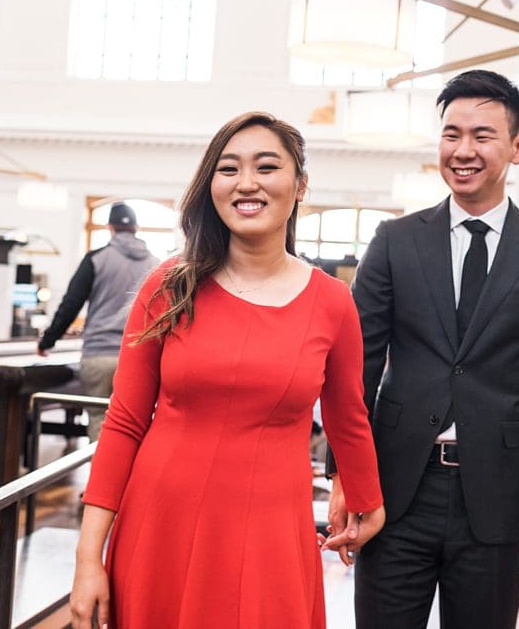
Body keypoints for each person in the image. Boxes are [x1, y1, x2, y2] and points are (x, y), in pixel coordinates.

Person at [69, 112, 384, 629]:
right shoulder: (168, 286)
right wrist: (87, 559)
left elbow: (347, 415)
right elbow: (125, 422)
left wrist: (368, 498)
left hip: (270, 532)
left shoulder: (332, 302)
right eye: (228, 168)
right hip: (160, 522)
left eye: (266, 167)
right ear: (210, 185)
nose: (246, 184)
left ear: (300, 185)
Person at [324, 69, 519, 629]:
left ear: (517, 148)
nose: (462, 150)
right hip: (393, 494)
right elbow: (356, 368)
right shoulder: (395, 242)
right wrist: (345, 474)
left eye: (481, 135)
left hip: (497, 501)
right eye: (451, 134)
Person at [37, 201, 158, 440]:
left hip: (99, 354)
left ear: (110, 227)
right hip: (139, 355)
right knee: (135, 422)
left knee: (98, 418)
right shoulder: (155, 264)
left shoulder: (96, 258)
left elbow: (71, 304)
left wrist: (47, 342)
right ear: (136, 227)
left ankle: (101, 476)